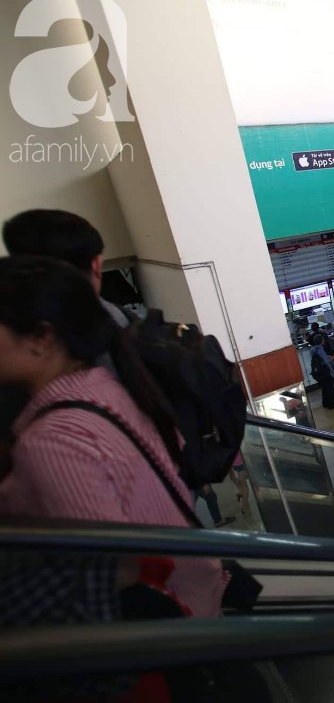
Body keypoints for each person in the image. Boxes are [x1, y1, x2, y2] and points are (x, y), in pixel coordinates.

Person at [0, 256, 225, 618]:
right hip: (197, 587)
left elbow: (113, 573)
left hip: (166, 624)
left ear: (41, 337)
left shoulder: (51, 442)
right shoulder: (105, 387)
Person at [309, 332, 334, 410]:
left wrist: (329, 356)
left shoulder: (313, 349)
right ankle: (331, 404)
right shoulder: (320, 350)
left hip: (318, 372)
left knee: (324, 388)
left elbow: (321, 358)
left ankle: (325, 403)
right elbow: (325, 361)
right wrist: (333, 357)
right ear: (321, 341)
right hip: (325, 371)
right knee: (330, 388)